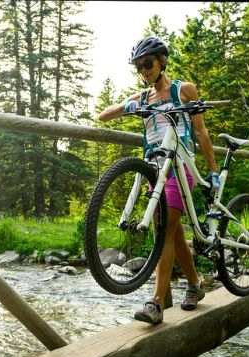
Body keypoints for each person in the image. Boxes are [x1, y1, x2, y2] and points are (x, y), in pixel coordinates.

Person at [98, 36, 220, 325]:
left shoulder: (183, 91)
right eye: (139, 67)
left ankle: (155, 302)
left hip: (179, 169)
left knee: (165, 231)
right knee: (174, 234)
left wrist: (213, 171)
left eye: (148, 64)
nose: (144, 71)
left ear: (162, 61)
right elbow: (104, 116)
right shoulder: (142, 98)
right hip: (155, 173)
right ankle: (195, 285)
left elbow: (201, 133)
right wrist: (128, 107)